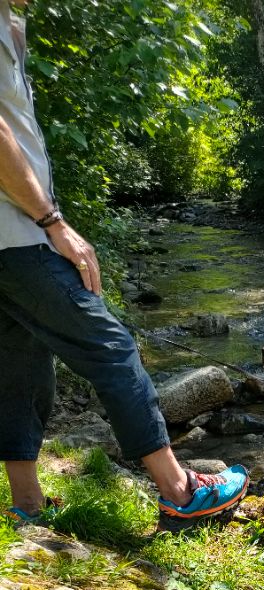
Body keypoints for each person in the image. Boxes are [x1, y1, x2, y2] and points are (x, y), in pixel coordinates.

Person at [0, 0, 248, 527]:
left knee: (19, 359)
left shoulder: (10, 21)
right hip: (17, 234)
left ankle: (25, 505)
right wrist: (52, 221)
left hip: (9, 238)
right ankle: (179, 491)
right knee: (112, 347)